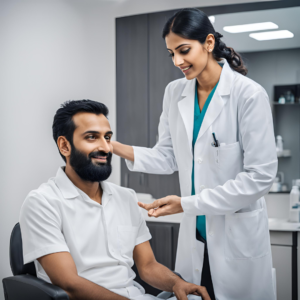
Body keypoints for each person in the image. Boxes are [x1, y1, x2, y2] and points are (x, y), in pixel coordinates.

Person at [112, 8, 278, 300]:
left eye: (184, 50)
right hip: (196, 241)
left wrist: (187, 204)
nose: (177, 61)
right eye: (171, 53)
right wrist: (112, 146)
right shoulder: (174, 93)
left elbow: (260, 178)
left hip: (236, 241)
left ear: (209, 43)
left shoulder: (248, 95)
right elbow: (167, 157)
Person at [19, 100, 210, 300]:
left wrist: (177, 284)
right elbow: (69, 283)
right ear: (65, 146)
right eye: (92, 137)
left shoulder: (126, 198)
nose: (106, 147)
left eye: (107, 137)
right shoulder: (42, 202)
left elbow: (147, 266)